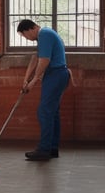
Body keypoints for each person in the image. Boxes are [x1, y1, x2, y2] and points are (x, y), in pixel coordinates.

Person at [17, 19, 70, 161]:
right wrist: (25, 79)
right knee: (52, 112)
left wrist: (34, 81)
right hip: (56, 75)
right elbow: (35, 58)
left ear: (30, 29)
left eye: (24, 35)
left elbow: (44, 61)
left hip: (56, 74)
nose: (27, 39)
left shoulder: (45, 35)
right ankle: (52, 148)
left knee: (45, 111)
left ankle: (44, 149)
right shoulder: (44, 36)